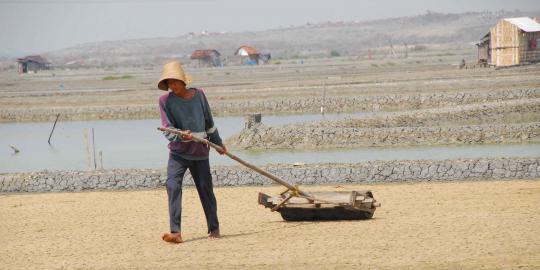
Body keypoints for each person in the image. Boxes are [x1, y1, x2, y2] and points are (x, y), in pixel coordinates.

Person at [157, 60, 226, 244]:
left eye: (175, 82)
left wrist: (218, 143)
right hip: (178, 153)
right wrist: (181, 135)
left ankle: (214, 228)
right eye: (169, 83)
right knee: (172, 185)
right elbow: (168, 128)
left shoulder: (199, 95)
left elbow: (209, 123)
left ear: (183, 81)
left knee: (205, 189)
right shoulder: (165, 101)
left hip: (200, 152)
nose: (172, 86)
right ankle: (176, 232)